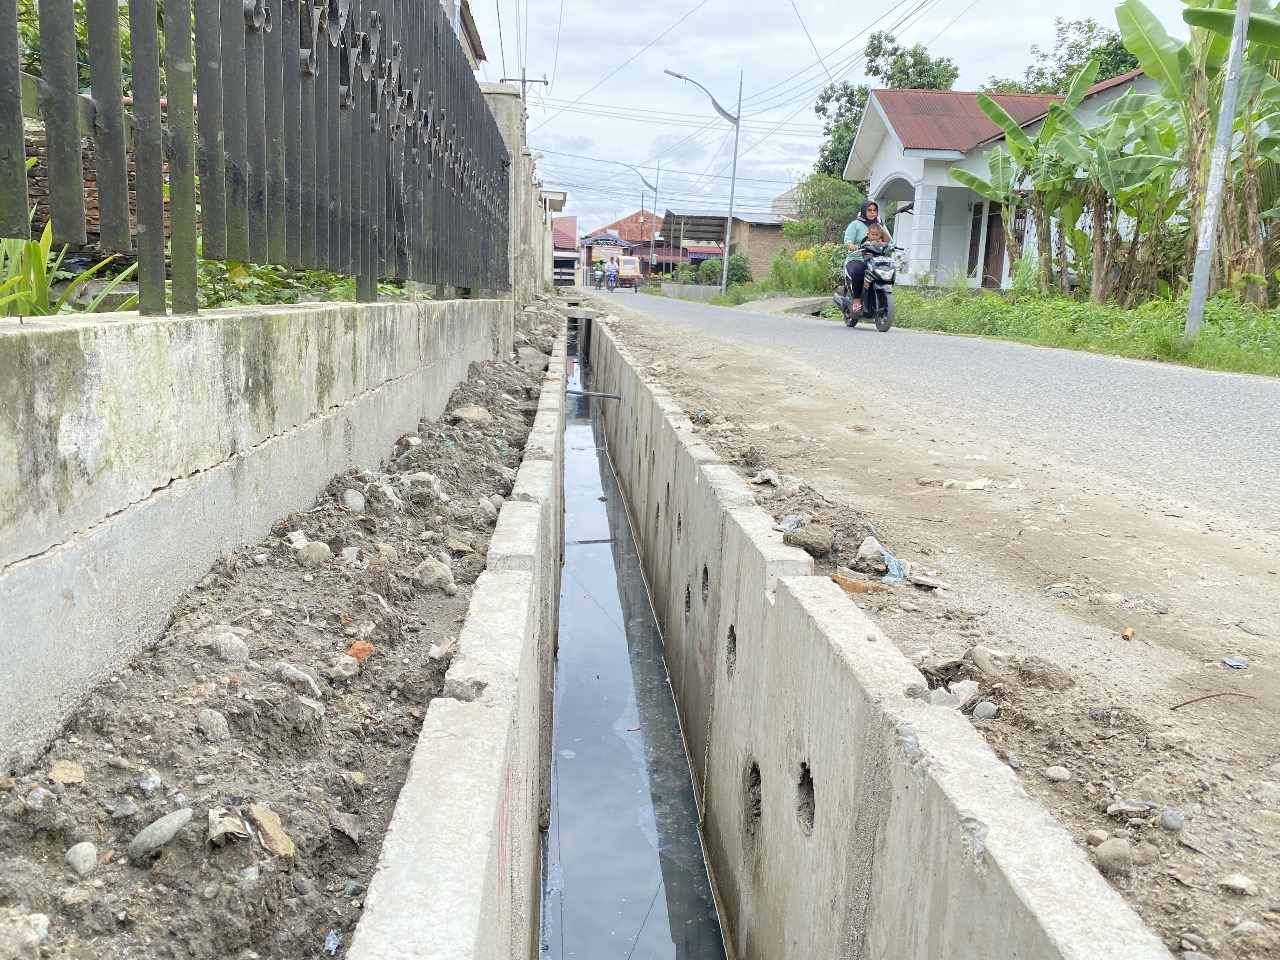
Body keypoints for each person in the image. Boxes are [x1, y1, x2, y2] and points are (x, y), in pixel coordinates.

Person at [843, 200, 891, 315]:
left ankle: (880, 298)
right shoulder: (855, 224)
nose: (872, 213)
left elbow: (889, 241)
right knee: (859, 269)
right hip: (857, 258)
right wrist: (852, 246)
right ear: (864, 211)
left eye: (875, 210)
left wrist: (881, 228)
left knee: (887, 269)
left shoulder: (880, 224)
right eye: (869, 210)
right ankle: (857, 300)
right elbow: (847, 241)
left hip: (875, 259)